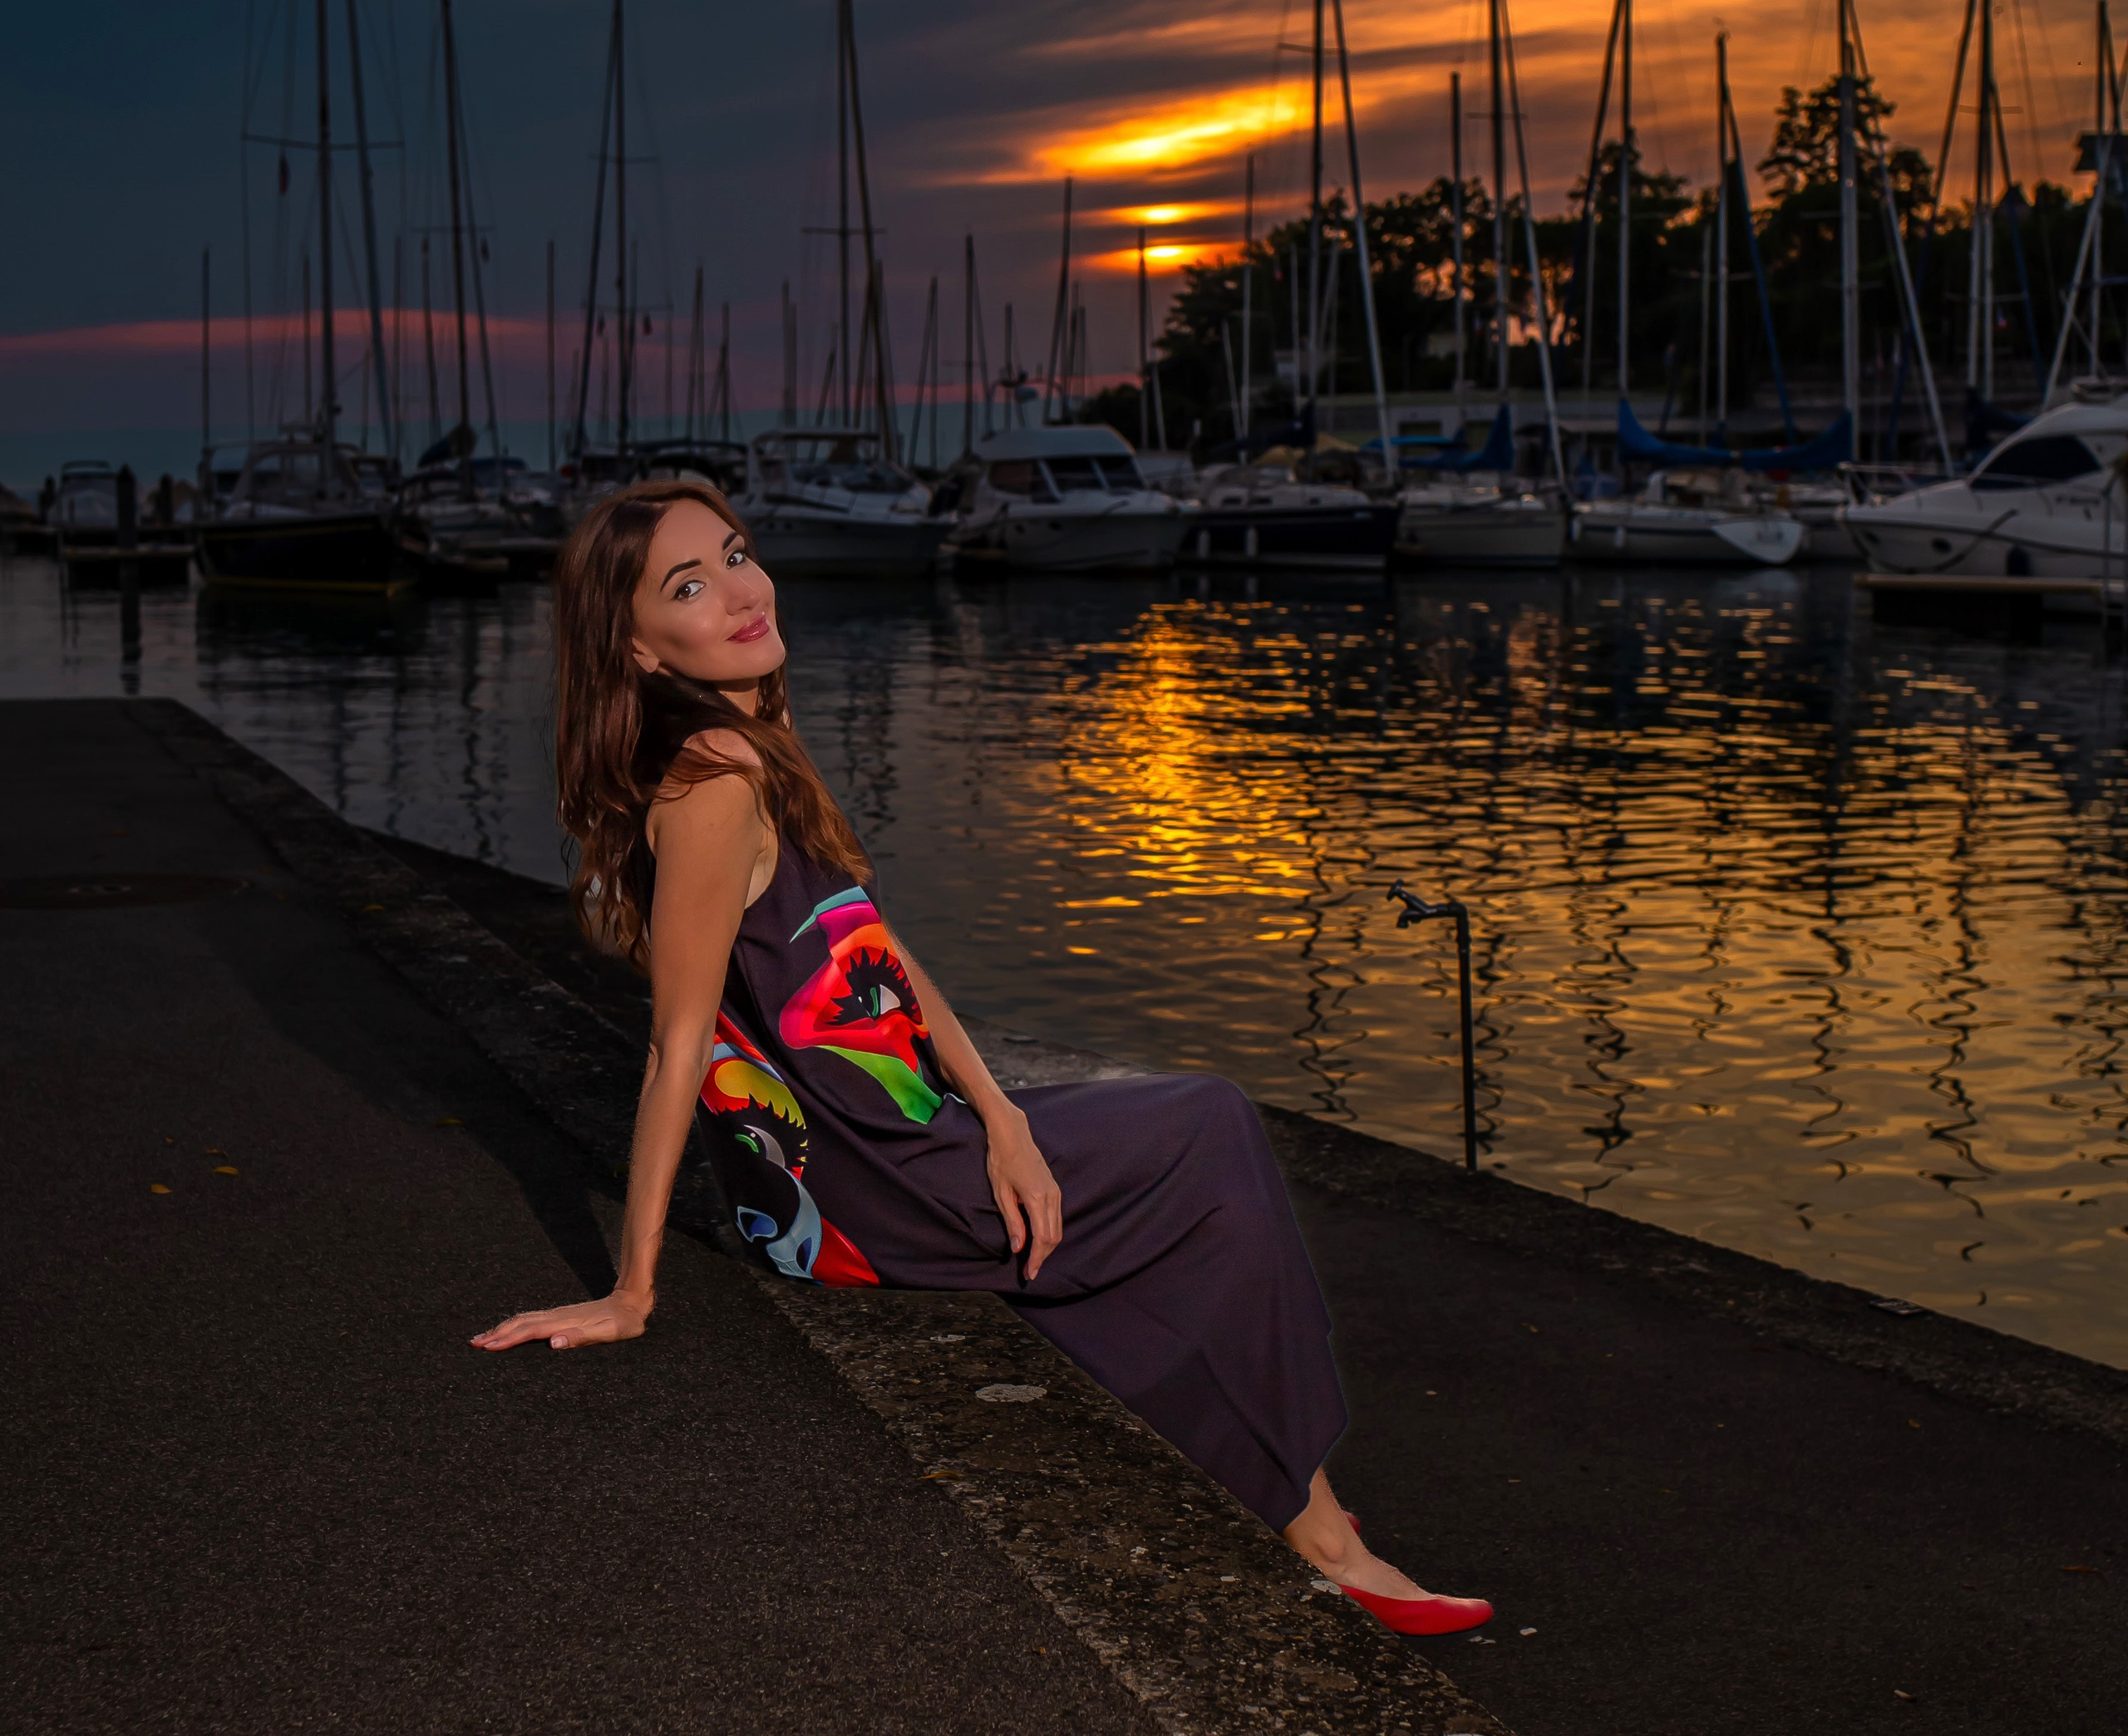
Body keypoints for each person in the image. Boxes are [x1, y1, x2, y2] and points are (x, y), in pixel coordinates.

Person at [472, 479, 1490, 1637]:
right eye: (689, 586)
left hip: (905, 1136)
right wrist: (633, 1288)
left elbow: (876, 942)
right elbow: (676, 1043)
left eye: (738, 554)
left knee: (1123, 1183)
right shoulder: (714, 780)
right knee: (1210, 1130)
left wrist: (1002, 1113)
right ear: (641, 647)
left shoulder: (757, 735)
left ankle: (1305, 1512)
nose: (743, 591)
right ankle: (1322, 1529)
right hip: (858, 1190)